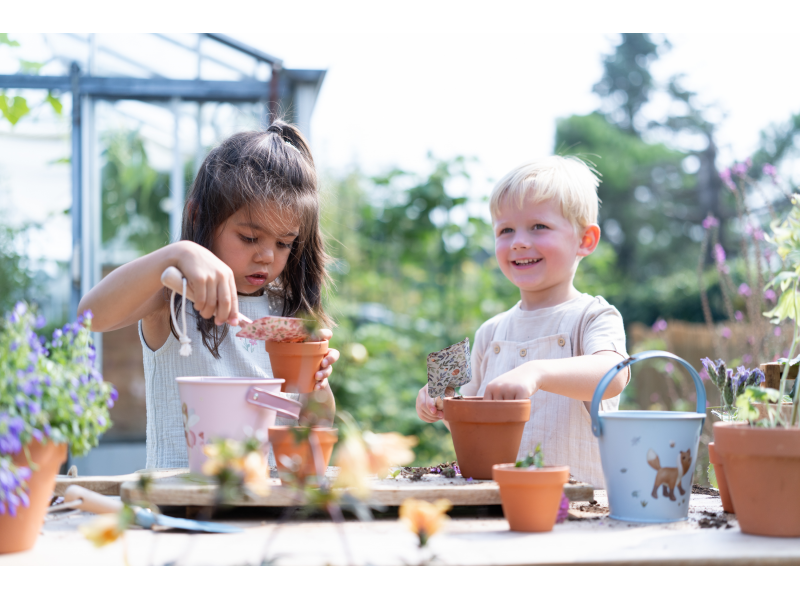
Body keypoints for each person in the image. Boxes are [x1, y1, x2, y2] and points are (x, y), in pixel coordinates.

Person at [79, 120, 339, 469]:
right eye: (249, 238)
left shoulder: (286, 314)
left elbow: (314, 427)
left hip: (264, 508)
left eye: (284, 244)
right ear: (199, 216)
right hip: (179, 508)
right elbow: (91, 316)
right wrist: (177, 254)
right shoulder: (173, 294)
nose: (266, 256)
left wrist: (316, 382)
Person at [416, 156, 629, 488]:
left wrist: (537, 372)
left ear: (585, 240)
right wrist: (437, 398)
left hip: (579, 506)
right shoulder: (491, 330)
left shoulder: (593, 315)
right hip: (498, 499)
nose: (518, 241)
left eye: (538, 226)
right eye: (505, 230)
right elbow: (463, 408)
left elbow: (614, 374)